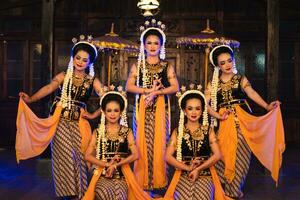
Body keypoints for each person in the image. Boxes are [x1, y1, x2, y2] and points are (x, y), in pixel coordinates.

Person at [17, 35, 103, 199]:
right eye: (78, 58)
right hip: (60, 121)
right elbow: (49, 87)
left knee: (80, 157)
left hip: (80, 124)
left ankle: (81, 194)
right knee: (65, 157)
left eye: (84, 60)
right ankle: (68, 194)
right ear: (73, 57)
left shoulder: (93, 81)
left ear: (89, 63)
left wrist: (93, 114)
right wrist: (31, 98)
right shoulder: (64, 76)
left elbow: (108, 98)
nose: (80, 62)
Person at [205, 45, 285, 199]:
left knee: (241, 156)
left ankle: (233, 191)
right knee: (222, 155)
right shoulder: (212, 84)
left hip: (243, 122)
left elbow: (252, 93)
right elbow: (204, 104)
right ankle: (224, 187)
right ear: (217, 66)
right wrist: (218, 115)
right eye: (223, 63)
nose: (227, 65)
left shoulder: (240, 79)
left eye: (229, 60)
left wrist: (267, 106)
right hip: (223, 122)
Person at [126, 19, 179, 193]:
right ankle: (141, 183)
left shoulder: (166, 66)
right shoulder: (138, 65)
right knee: (141, 141)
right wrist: (147, 90)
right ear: (144, 45)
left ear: (161, 45)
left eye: (156, 42)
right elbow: (129, 87)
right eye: (149, 42)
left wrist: (157, 93)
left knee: (160, 142)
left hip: (160, 107)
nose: (152, 45)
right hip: (142, 106)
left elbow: (175, 87)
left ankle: (158, 181)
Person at [83, 87, 151, 200]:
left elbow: (136, 155)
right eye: (109, 110)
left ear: (120, 112)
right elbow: (87, 155)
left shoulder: (127, 132)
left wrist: (116, 165)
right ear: (104, 112)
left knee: (119, 195)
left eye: (116, 110)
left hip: (122, 176)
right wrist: (106, 165)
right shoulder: (98, 132)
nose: (112, 114)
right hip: (102, 176)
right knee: (103, 193)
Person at [164, 84, 225, 200]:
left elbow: (218, 155)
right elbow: (167, 157)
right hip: (183, 174)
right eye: (190, 108)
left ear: (202, 111)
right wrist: (188, 169)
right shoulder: (178, 132)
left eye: (198, 108)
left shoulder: (208, 131)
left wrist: (198, 169)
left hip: (205, 174)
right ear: (184, 111)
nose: (194, 112)